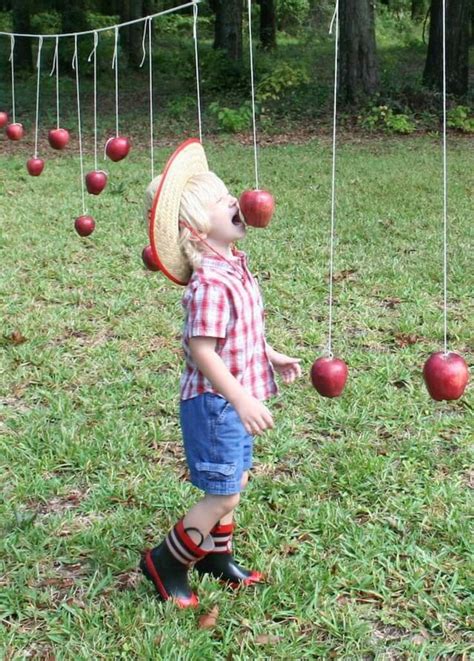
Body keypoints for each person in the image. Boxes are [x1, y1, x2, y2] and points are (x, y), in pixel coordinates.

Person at [140, 139, 302, 608]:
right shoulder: (210, 282)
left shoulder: (234, 268)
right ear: (196, 228)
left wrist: (270, 354)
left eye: (230, 193)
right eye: (221, 200)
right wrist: (241, 399)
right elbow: (202, 350)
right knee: (224, 494)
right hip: (216, 404)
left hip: (230, 398)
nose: (235, 200)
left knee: (236, 479)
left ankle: (215, 556)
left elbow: (240, 331)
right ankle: (165, 562)